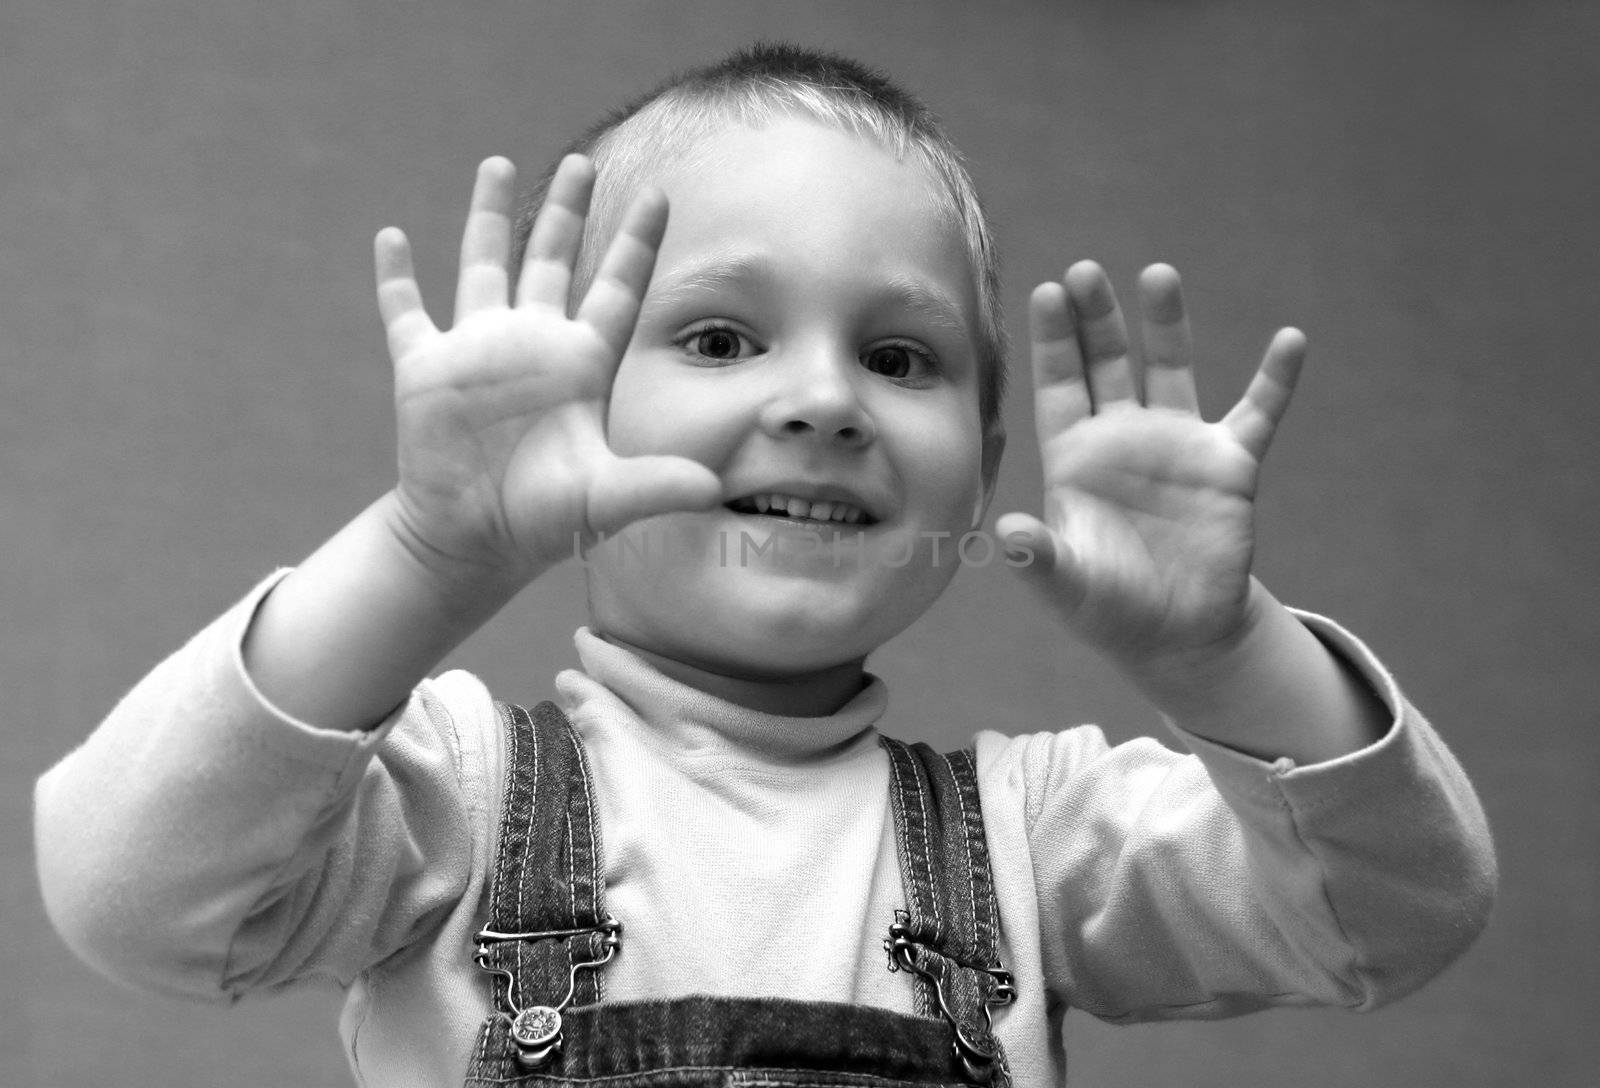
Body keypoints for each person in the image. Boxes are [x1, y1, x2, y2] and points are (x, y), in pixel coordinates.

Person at [34, 44, 1495, 1088]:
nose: (823, 400)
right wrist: (431, 552)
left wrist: (1220, 654)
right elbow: (131, 895)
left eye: (899, 356)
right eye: (721, 337)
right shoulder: (453, 805)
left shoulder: (1038, 837)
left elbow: (1395, 918)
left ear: (985, 466)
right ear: (568, 414)